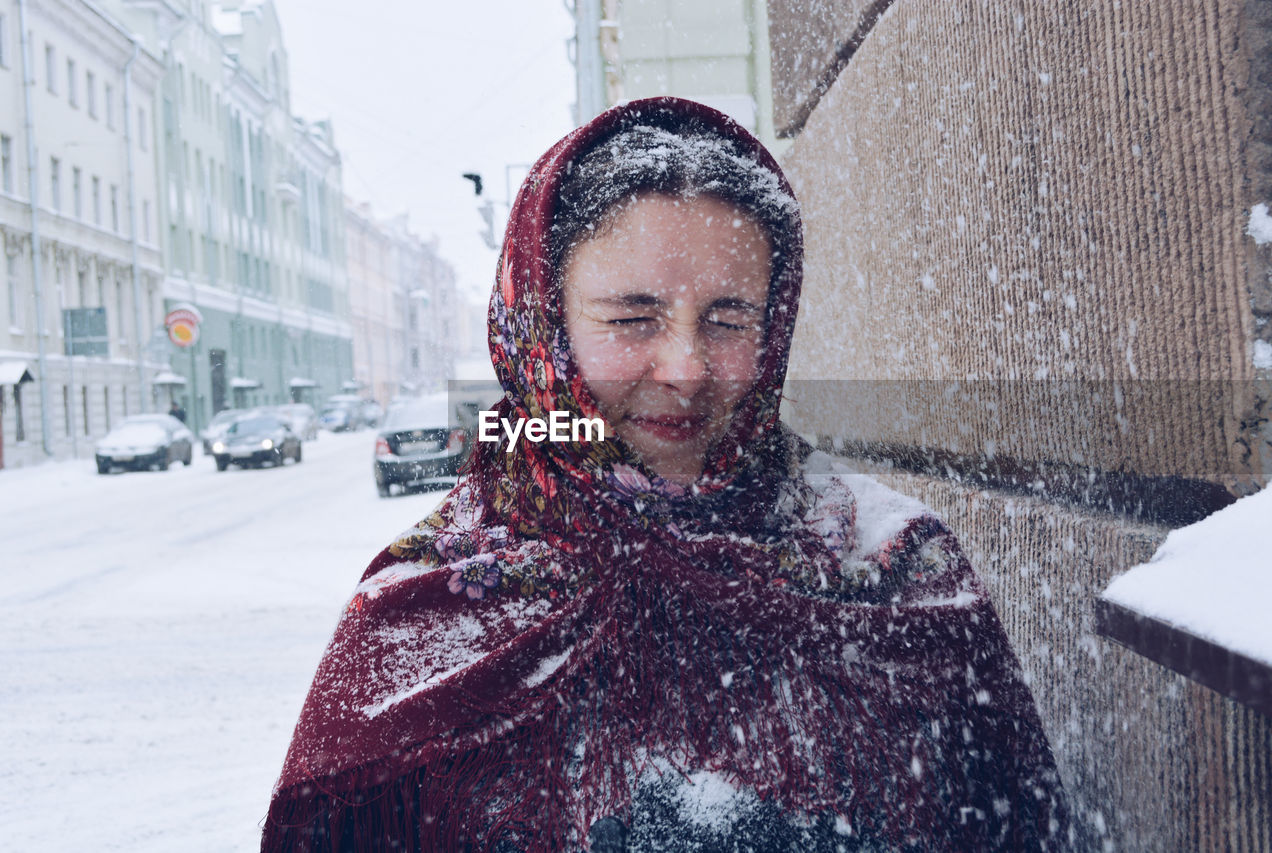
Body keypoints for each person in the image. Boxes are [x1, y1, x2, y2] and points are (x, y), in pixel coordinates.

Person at [262, 98, 1068, 852]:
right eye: (632, 318)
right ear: (544, 325)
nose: (685, 368)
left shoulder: (894, 569)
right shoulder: (431, 612)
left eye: (728, 318)